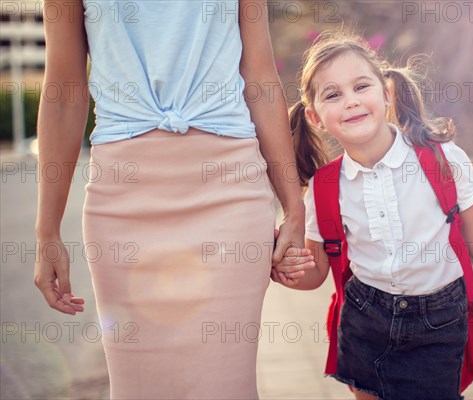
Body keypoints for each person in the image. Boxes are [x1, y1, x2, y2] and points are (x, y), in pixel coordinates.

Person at [33, 0, 305, 398]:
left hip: (229, 191)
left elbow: (259, 76)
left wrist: (294, 207)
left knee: (224, 385)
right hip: (123, 200)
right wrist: (47, 231)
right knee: (139, 388)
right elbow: (63, 92)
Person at [272, 31, 473, 400]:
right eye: (333, 94)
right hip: (364, 319)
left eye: (362, 86)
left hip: (438, 321)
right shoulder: (324, 188)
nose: (351, 102)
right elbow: (315, 273)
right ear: (315, 117)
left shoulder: (441, 159)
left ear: (387, 93)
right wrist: (284, 270)